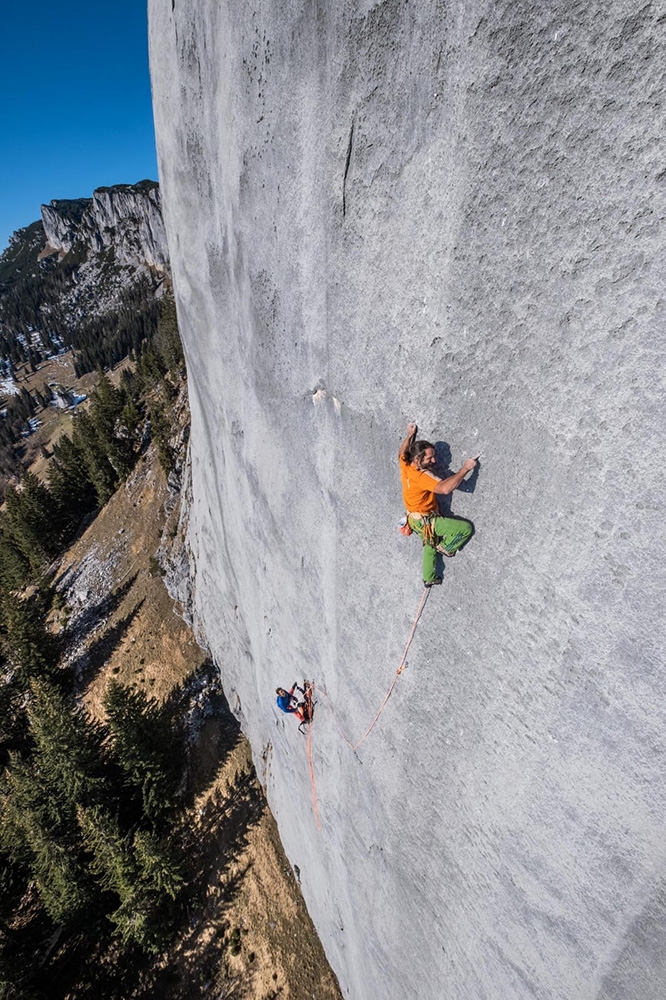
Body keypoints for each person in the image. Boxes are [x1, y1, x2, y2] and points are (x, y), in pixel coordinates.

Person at [399, 422, 477, 586]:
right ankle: (447, 547)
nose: (433, 460)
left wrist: (409, 435)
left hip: (414, 519)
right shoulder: (421, 477)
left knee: (429, 544)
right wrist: (466, 468)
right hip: (426, 520)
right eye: (429, 458)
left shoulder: (405, 463)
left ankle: (428, 578)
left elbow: (402, 451)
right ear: (418, 458)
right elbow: (445, 488)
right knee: (465, 529)